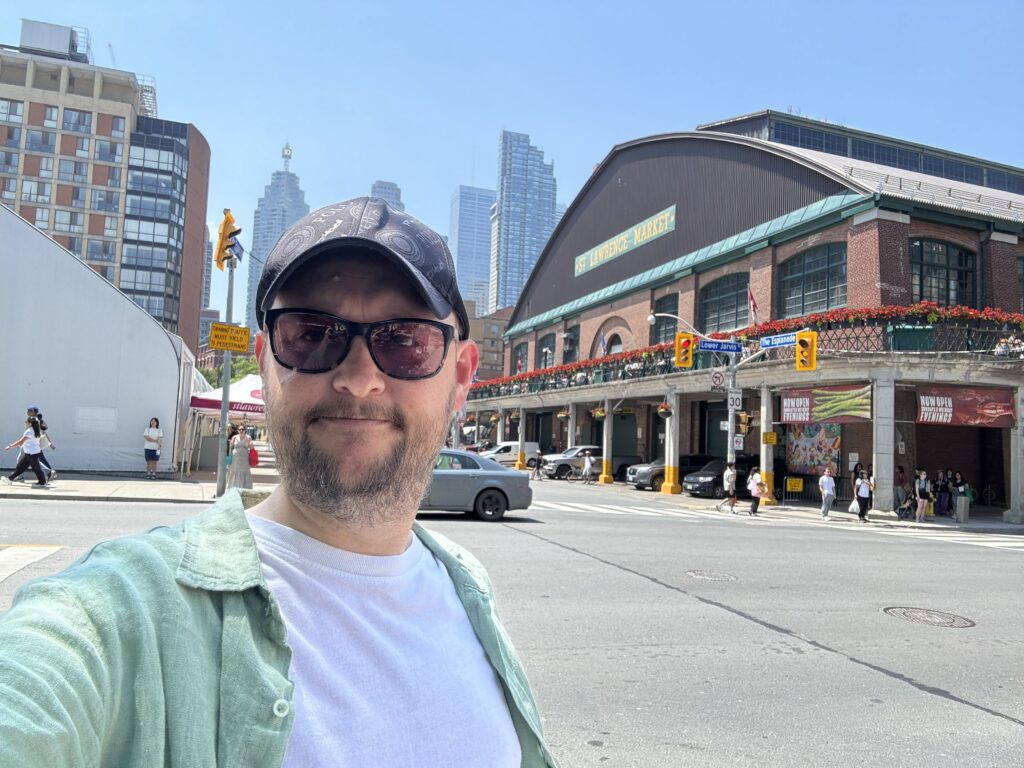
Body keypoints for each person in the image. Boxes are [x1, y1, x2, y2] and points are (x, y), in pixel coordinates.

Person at [0, 198, 556, 766]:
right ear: (265, 364)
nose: (359, 379)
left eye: (405, 340)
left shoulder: (466, 586)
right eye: (312, 335)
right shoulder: (115, 613)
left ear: (460, 376)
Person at [2, 416, 48, 487]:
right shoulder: (36, 430)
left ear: (29, 423)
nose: (25, 423)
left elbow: (21, 441)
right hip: (32, 452)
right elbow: (29, 441)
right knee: (21, 467)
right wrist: (21, 445)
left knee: (36, 468)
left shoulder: (29, 431)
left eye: (26, 422)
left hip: (31, 453)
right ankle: (10, 478)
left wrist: (10, 446)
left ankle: (42, 483)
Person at [26, 406, 57, 482]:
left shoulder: (36, 420)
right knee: (38, 460)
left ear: (33, 412)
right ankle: (49, 472)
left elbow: (43, 433)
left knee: (37, 460)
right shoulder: (32, 419)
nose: (27, 411)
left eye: (29, 410)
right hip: (32, 445)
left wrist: (50, 443)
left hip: (34, 445)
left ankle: (49, 472)